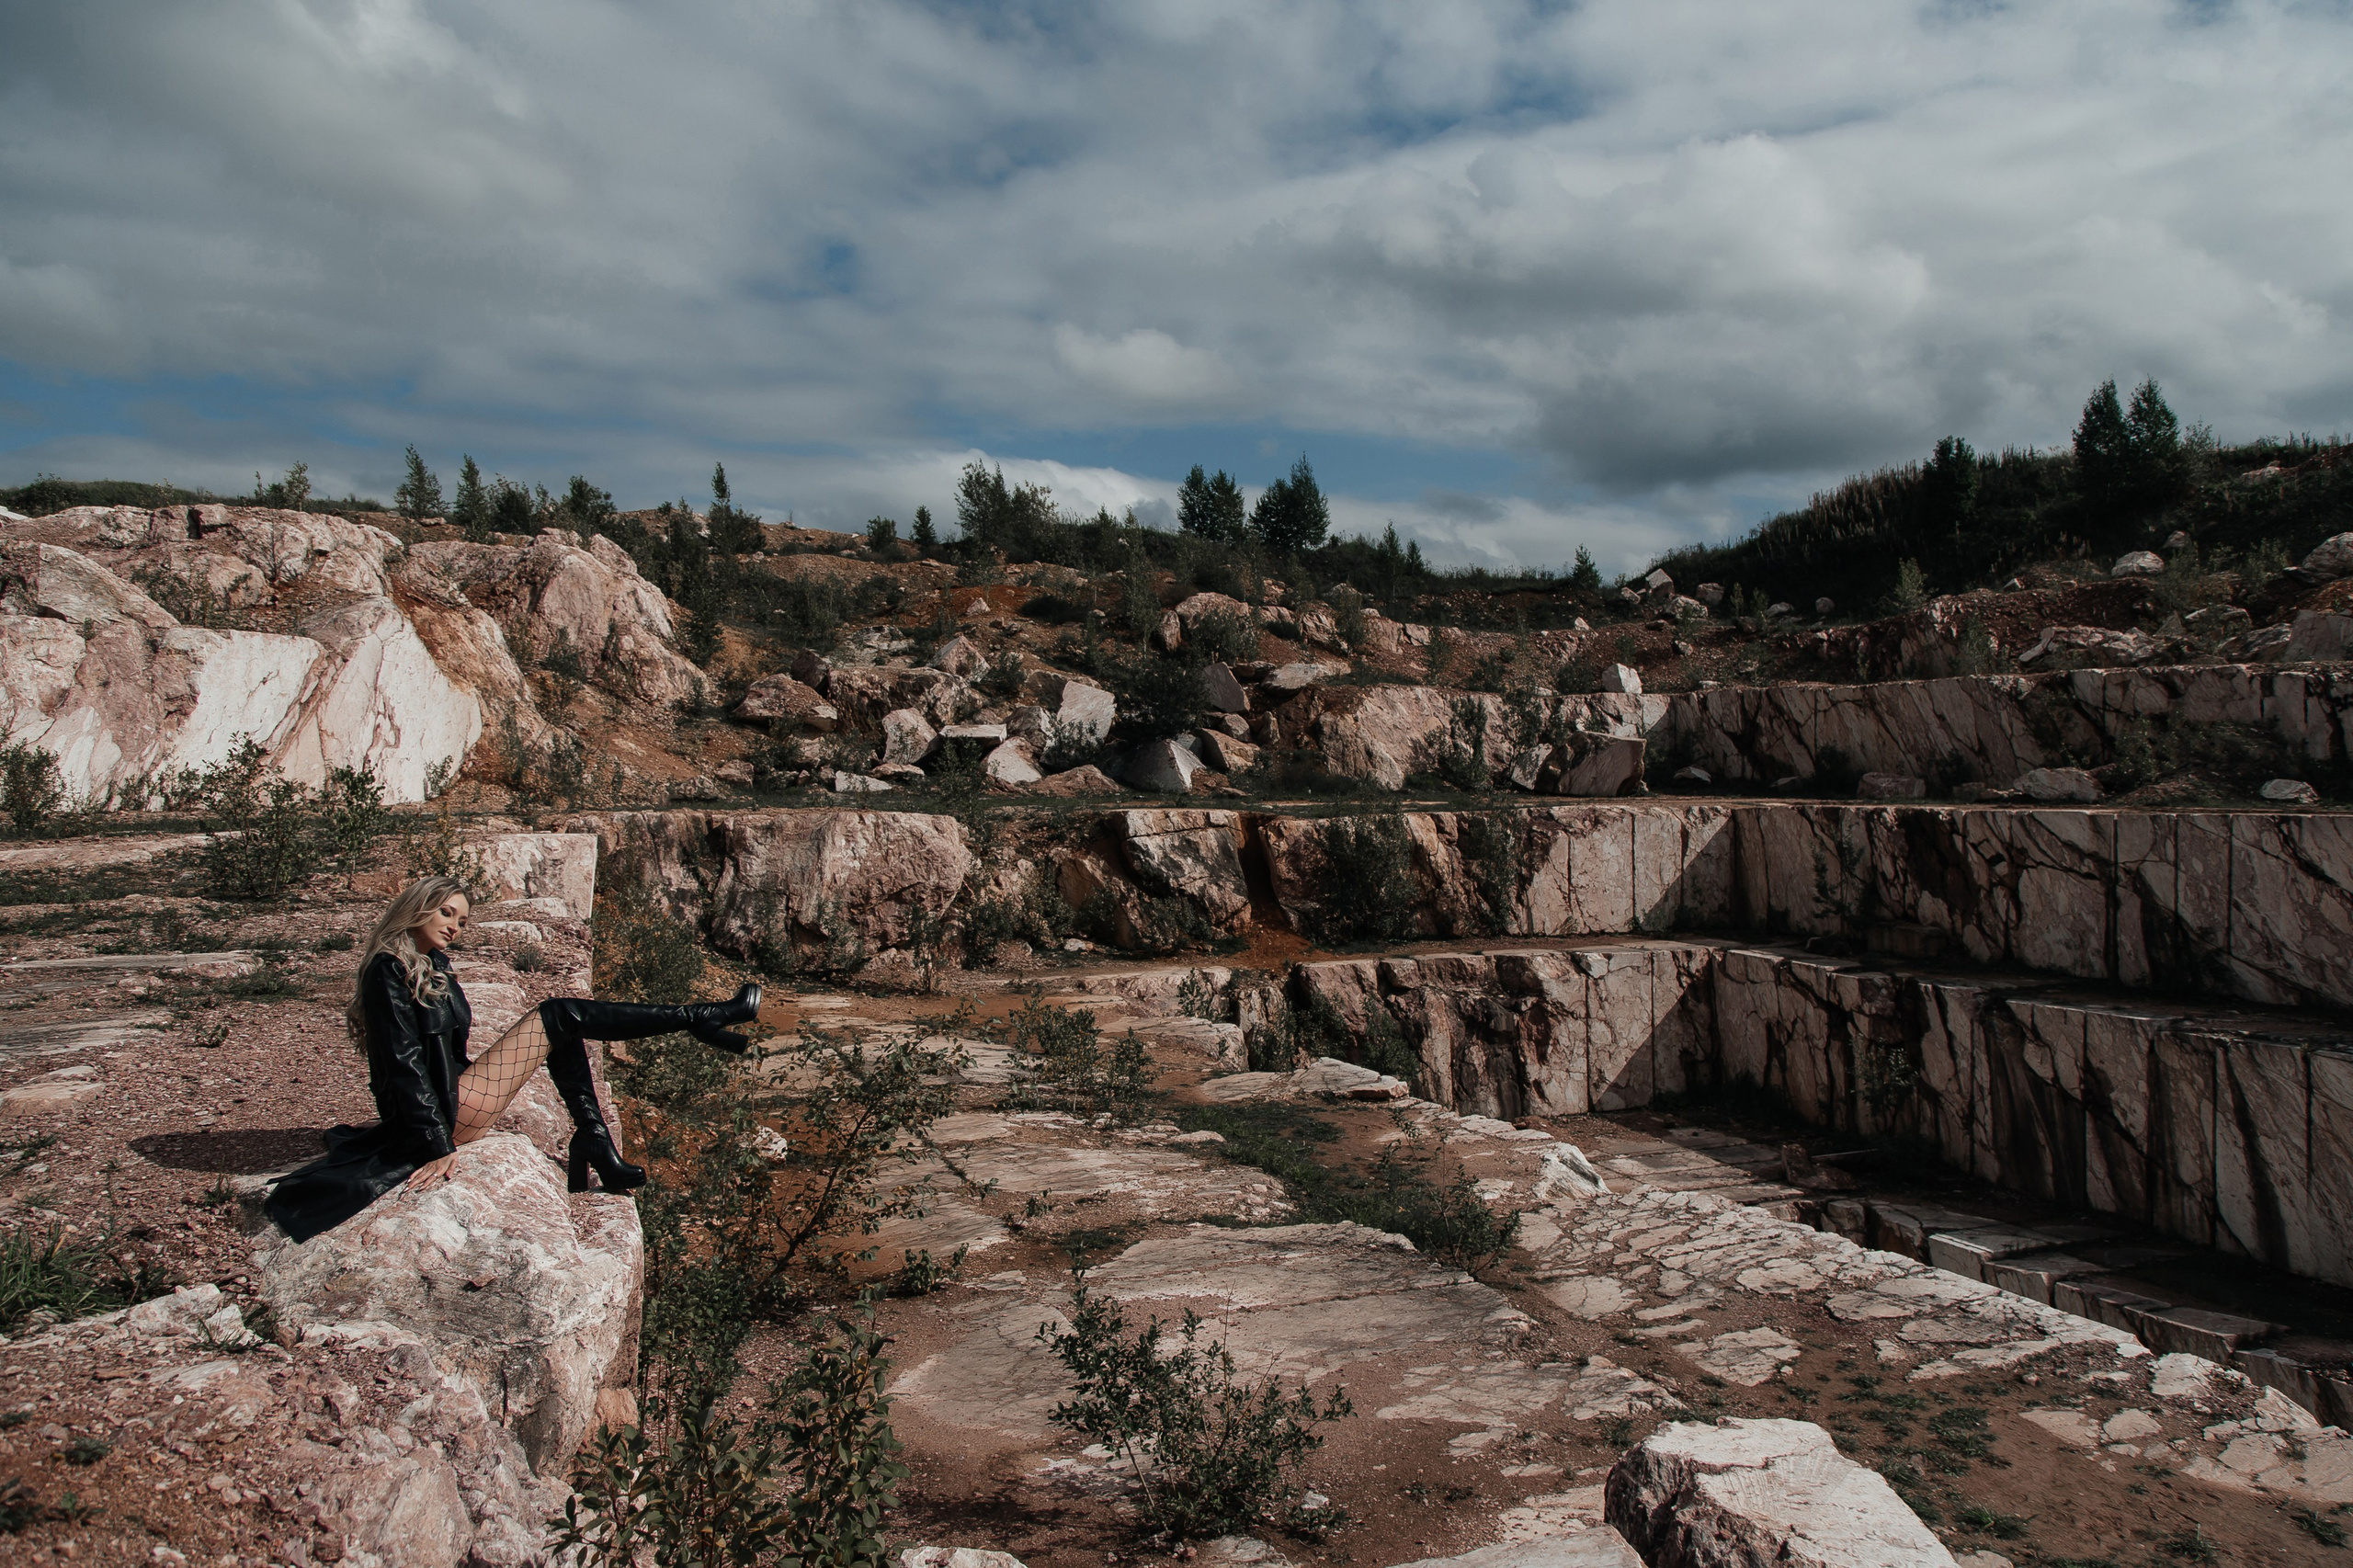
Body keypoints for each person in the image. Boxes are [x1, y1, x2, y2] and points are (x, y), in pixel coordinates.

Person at [265, 876, 760, 1243]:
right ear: (418, 909)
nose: (455, 927)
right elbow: (404, 1065)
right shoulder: (387, 970)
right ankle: (700, 1017)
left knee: (561, 1025)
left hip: (456, 1098)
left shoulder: (429, 965)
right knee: (560, 1015)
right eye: (447, 914)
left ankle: (596, 1139)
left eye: (462, 921)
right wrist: (436, 1145)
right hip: (449, 1112)